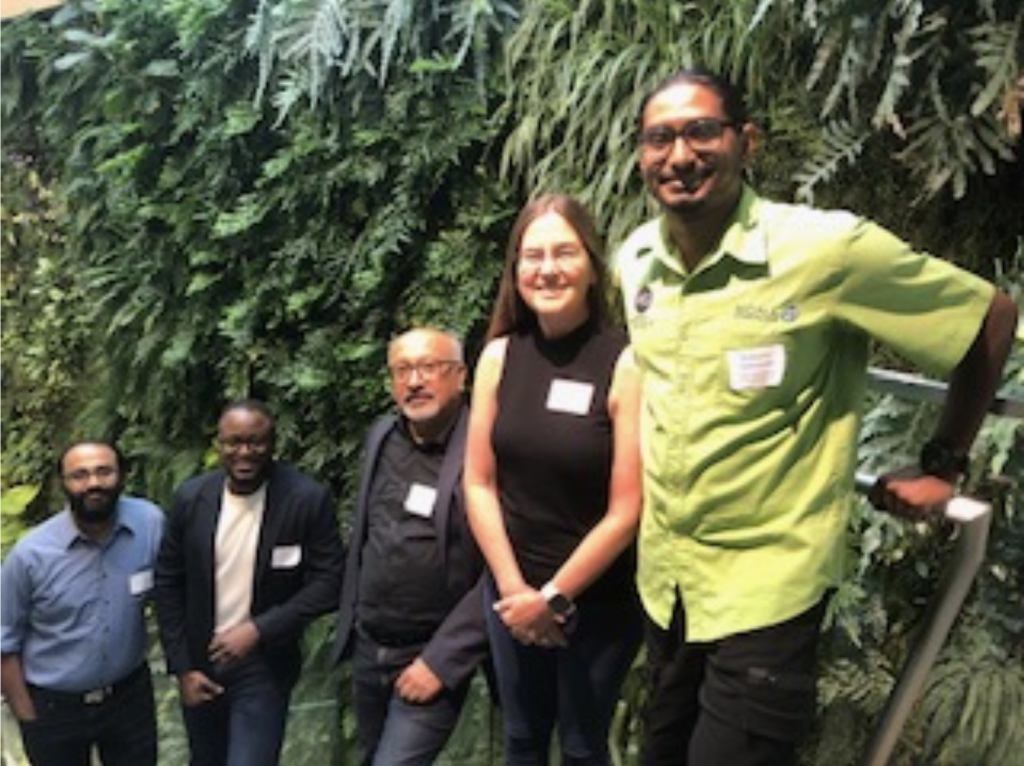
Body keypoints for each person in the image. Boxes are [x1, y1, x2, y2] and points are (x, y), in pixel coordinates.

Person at [614, 68, 1019, 765]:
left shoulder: (822, 250)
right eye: (660, 138)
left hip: (768, 590)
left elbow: (988, 317)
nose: (680, 155)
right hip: (669, 587)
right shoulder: (637, 261)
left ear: (747, 143)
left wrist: (944, 460)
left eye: (702, 131)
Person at [464, 194, 645, 765]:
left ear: (592, 265)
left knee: (583, 747)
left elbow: (627, 509)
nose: (547, 269)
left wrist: (554, 598)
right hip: (510, 600)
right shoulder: (497, 356)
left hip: (600, 602)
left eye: (564, 252)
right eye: (532, 254)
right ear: (515, 269)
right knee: (521, 739)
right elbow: (478, 483)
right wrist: (517, 592)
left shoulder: (626, 362)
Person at [153, 399, 345, 766]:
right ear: (219, 445)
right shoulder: (192, 498)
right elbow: (167, 583)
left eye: (256, 442)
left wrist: (259, 629)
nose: (245, 452)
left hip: (264, 664)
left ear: (273, 443)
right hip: (201, 662)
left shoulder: (305, 499)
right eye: (234, 442)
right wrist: (182, 668)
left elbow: (330, 582)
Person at [331, 327, 490, 765]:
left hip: (431, 654)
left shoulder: (485, 447)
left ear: (460, 376)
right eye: (402, 370)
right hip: (369, 647)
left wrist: (441, 661)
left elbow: (502, 569)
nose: (415, 381)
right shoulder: (382, 435)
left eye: (429, 367)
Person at [1, 440, 164, 766]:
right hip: (54, 709)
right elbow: (5, 643)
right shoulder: (31, 557)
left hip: (128, 698)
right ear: (63, 483)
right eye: (80, 475)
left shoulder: (150, 525)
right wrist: (28, 719)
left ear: (122, 475)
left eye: (104, 471)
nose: (93, 483)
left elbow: (174, 596)